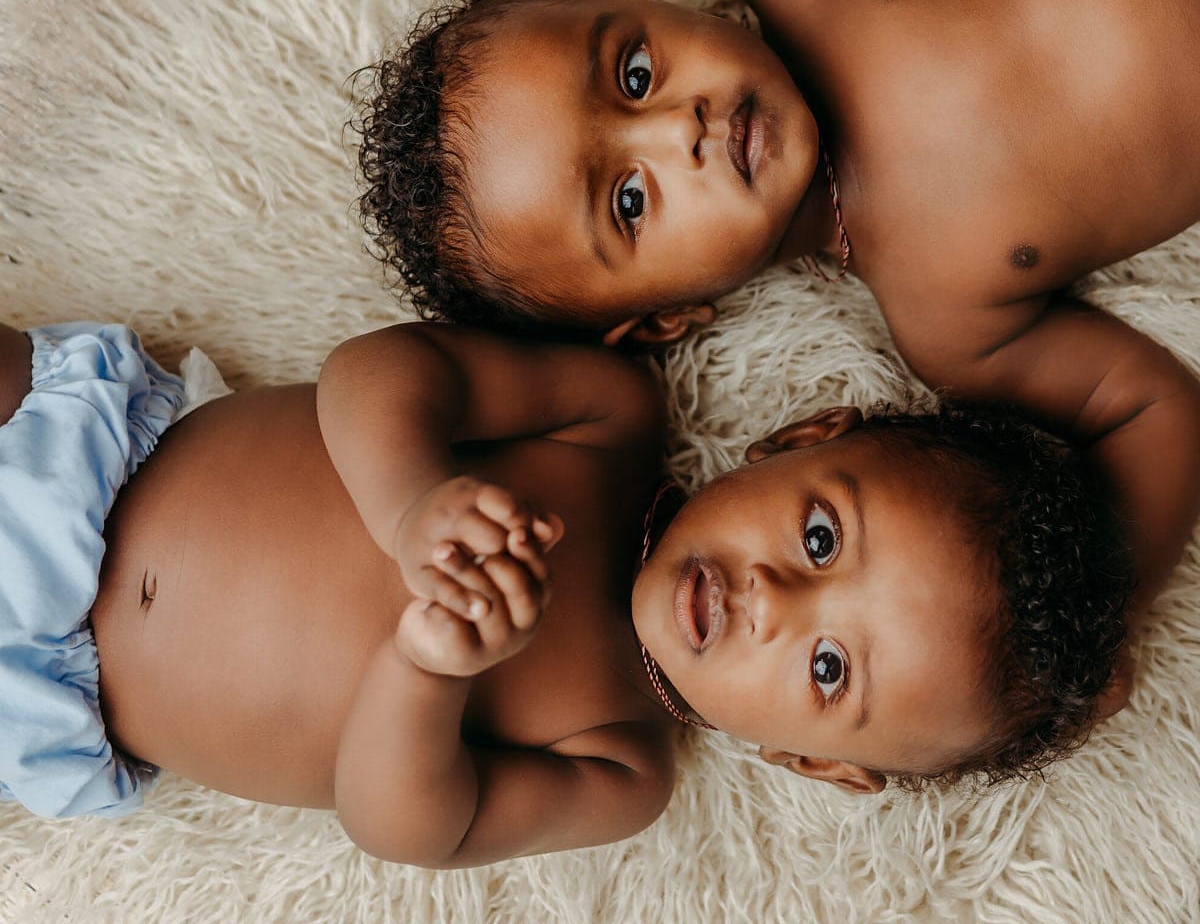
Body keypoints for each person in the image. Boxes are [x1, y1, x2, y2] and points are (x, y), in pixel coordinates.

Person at [352, 0, 1200, 631]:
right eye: (631, 203)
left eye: (635, 71)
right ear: (663, 320)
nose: (678, 127)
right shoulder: (949, 322)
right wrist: (1106, 622)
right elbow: (1145, 410)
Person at [0, 319, 1133, 865]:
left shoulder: (618, 762)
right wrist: (413, 503)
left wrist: (426, 669)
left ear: (812, 763)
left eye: (828, 667)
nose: (776, 598)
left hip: (49, 689)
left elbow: (407, 825)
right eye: (823, 534)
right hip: (88, 452)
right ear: (798, 438)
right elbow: (379, 371)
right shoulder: (605, 419)